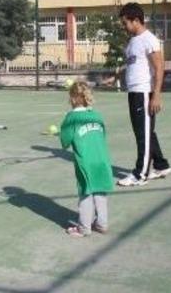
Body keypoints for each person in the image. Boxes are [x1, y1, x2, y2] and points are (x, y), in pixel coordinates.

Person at [113, 3, 171, 187]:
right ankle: (161, 165)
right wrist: (115, 76)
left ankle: (140, 174)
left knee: (142, 135)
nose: (124, 26)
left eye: (125, 23)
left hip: (144, 93)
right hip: (133, 92)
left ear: (136, 20)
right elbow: (132, 64)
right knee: (145, 132)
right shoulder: (133, 41)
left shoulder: (149, 39)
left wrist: (156, 95)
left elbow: (159, 67)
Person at [60, 81, 114, 237]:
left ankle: (83, 228)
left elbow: (65, 142)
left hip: (85, 162)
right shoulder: (97, 116)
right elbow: (102, 135)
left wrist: (65, 124)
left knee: (86, 192)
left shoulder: (72, 118)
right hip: (103, 160)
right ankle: (102, 224)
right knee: (100, 192)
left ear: (72, 98)